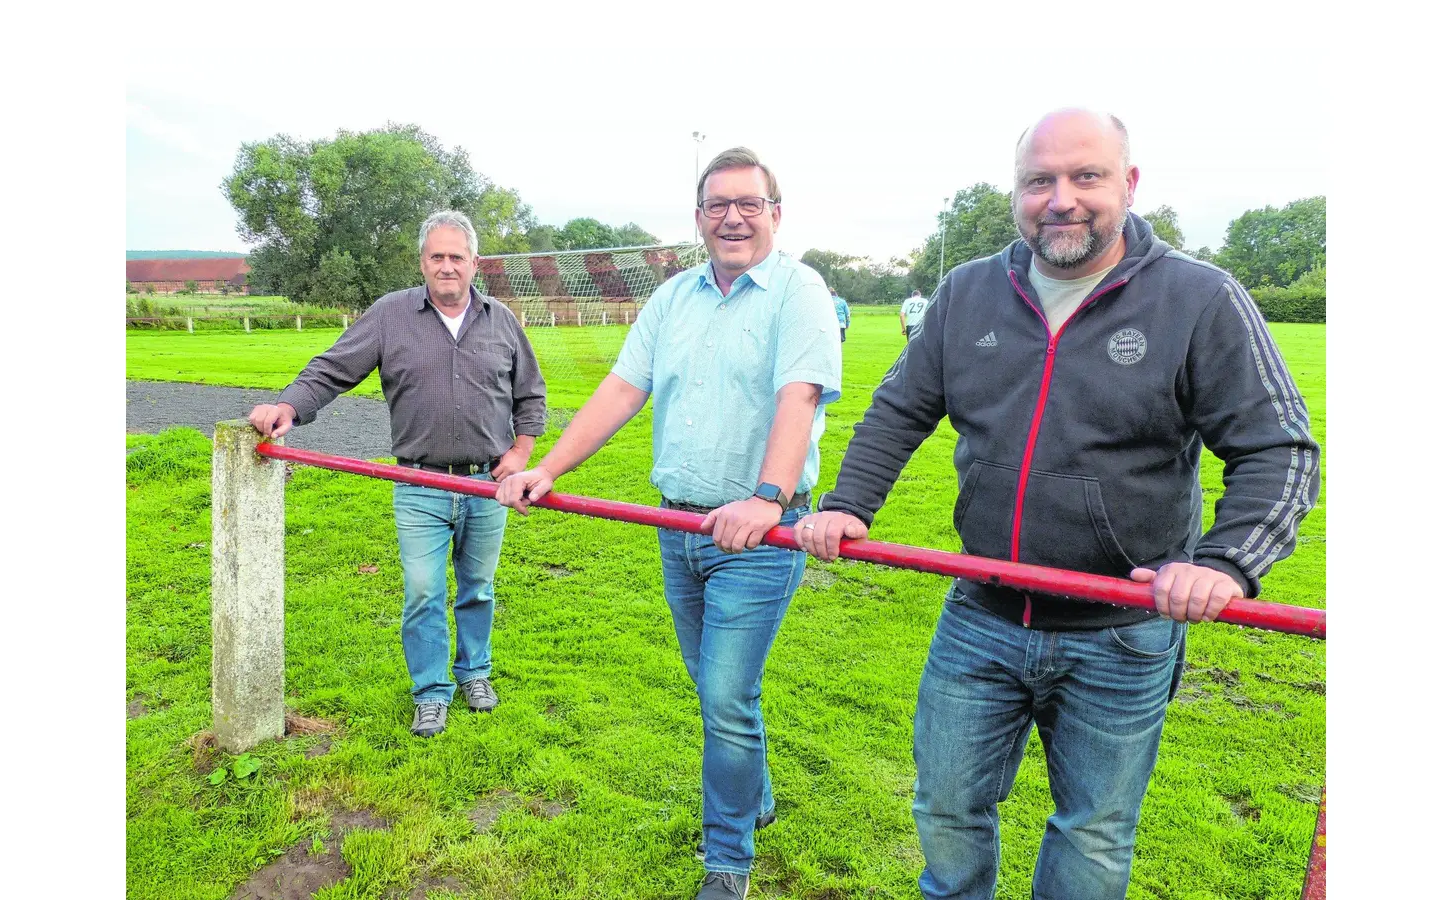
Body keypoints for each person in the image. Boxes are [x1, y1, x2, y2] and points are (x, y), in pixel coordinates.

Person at [795, 109, 1319, 899]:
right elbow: (900, 408)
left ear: (1129, 185)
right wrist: (846, 504)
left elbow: (1278, 448)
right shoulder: (969, 292)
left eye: (1086, 177)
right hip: (982, 614)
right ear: (1017, 192)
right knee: (946, 807)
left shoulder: (1200, 298)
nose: (1061, 199)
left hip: (1122, 632)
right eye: (1039, 180)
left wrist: (1226, 562)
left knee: (1093, 833)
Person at [496, 147, 841, 900]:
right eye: (718, 204)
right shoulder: (673, 299)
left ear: (775, 214)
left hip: (758, 536)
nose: (733, 217)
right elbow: (622, 390)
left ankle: (728, 863)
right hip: (676, 526)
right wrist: (549, 469)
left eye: (749, 203)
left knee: (723, 695)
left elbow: (800, 397)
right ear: (698, 218)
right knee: (717, 687)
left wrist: (768, 498)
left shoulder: (799, 292)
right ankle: (756, 798)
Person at [247, 210, 547, 738]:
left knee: (477, 587)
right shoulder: (391, 315)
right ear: (423, 262)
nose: (447, 266)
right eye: (438, 256)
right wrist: (289, 407)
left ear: (475, 263)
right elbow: (332, 368)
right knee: (424, 590)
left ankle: (475, 672)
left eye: (457, 257)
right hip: (419, 484)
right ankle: (431, 692)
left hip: (485, 484)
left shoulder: (502, 320)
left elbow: (530, 395)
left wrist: (521, 452)